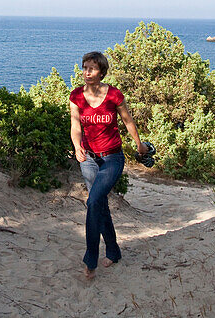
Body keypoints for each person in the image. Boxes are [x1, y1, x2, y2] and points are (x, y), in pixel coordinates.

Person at [69, 51, 148, 280]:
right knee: (99, 205)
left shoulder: (114, 95)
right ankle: (113, 251)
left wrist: (139, 145)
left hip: (113, 157)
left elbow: (127, 120)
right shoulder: (76, 96)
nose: (87, 73)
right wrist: (77, 146)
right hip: (89, 158)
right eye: (84, 68)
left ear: (101, 71)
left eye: (92, 69)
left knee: (93, 201)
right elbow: (76, 126)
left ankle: (90, 260)